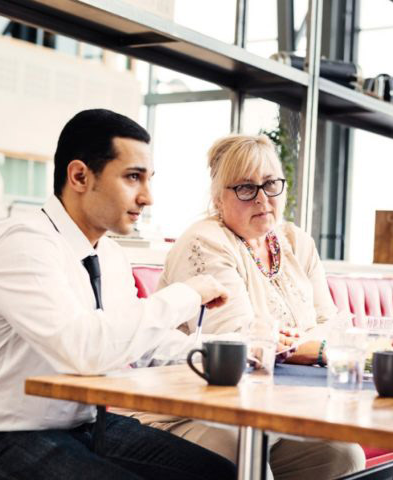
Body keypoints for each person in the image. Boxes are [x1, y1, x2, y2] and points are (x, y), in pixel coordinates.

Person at [0, 109, 236, 480]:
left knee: (220, 473)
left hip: (84, 428)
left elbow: (143, 344)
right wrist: (186, 294)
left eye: (149, 179)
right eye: (133, 177)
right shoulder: (23, 243)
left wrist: (229, 351)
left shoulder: (109, 253)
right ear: (79, 176)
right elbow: (83, 350)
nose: (148, 197)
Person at [134, 134, 365, 480]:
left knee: (342, 456)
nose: (262, 198)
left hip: (276, 408)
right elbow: (239, 345)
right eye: (245, 188)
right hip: (193, 412)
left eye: (270, 184)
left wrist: (296, 346)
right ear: (217, 198)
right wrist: (308, 347)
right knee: (240, 450)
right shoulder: (205, 241)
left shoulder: (296, 242)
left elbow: (330, 325)